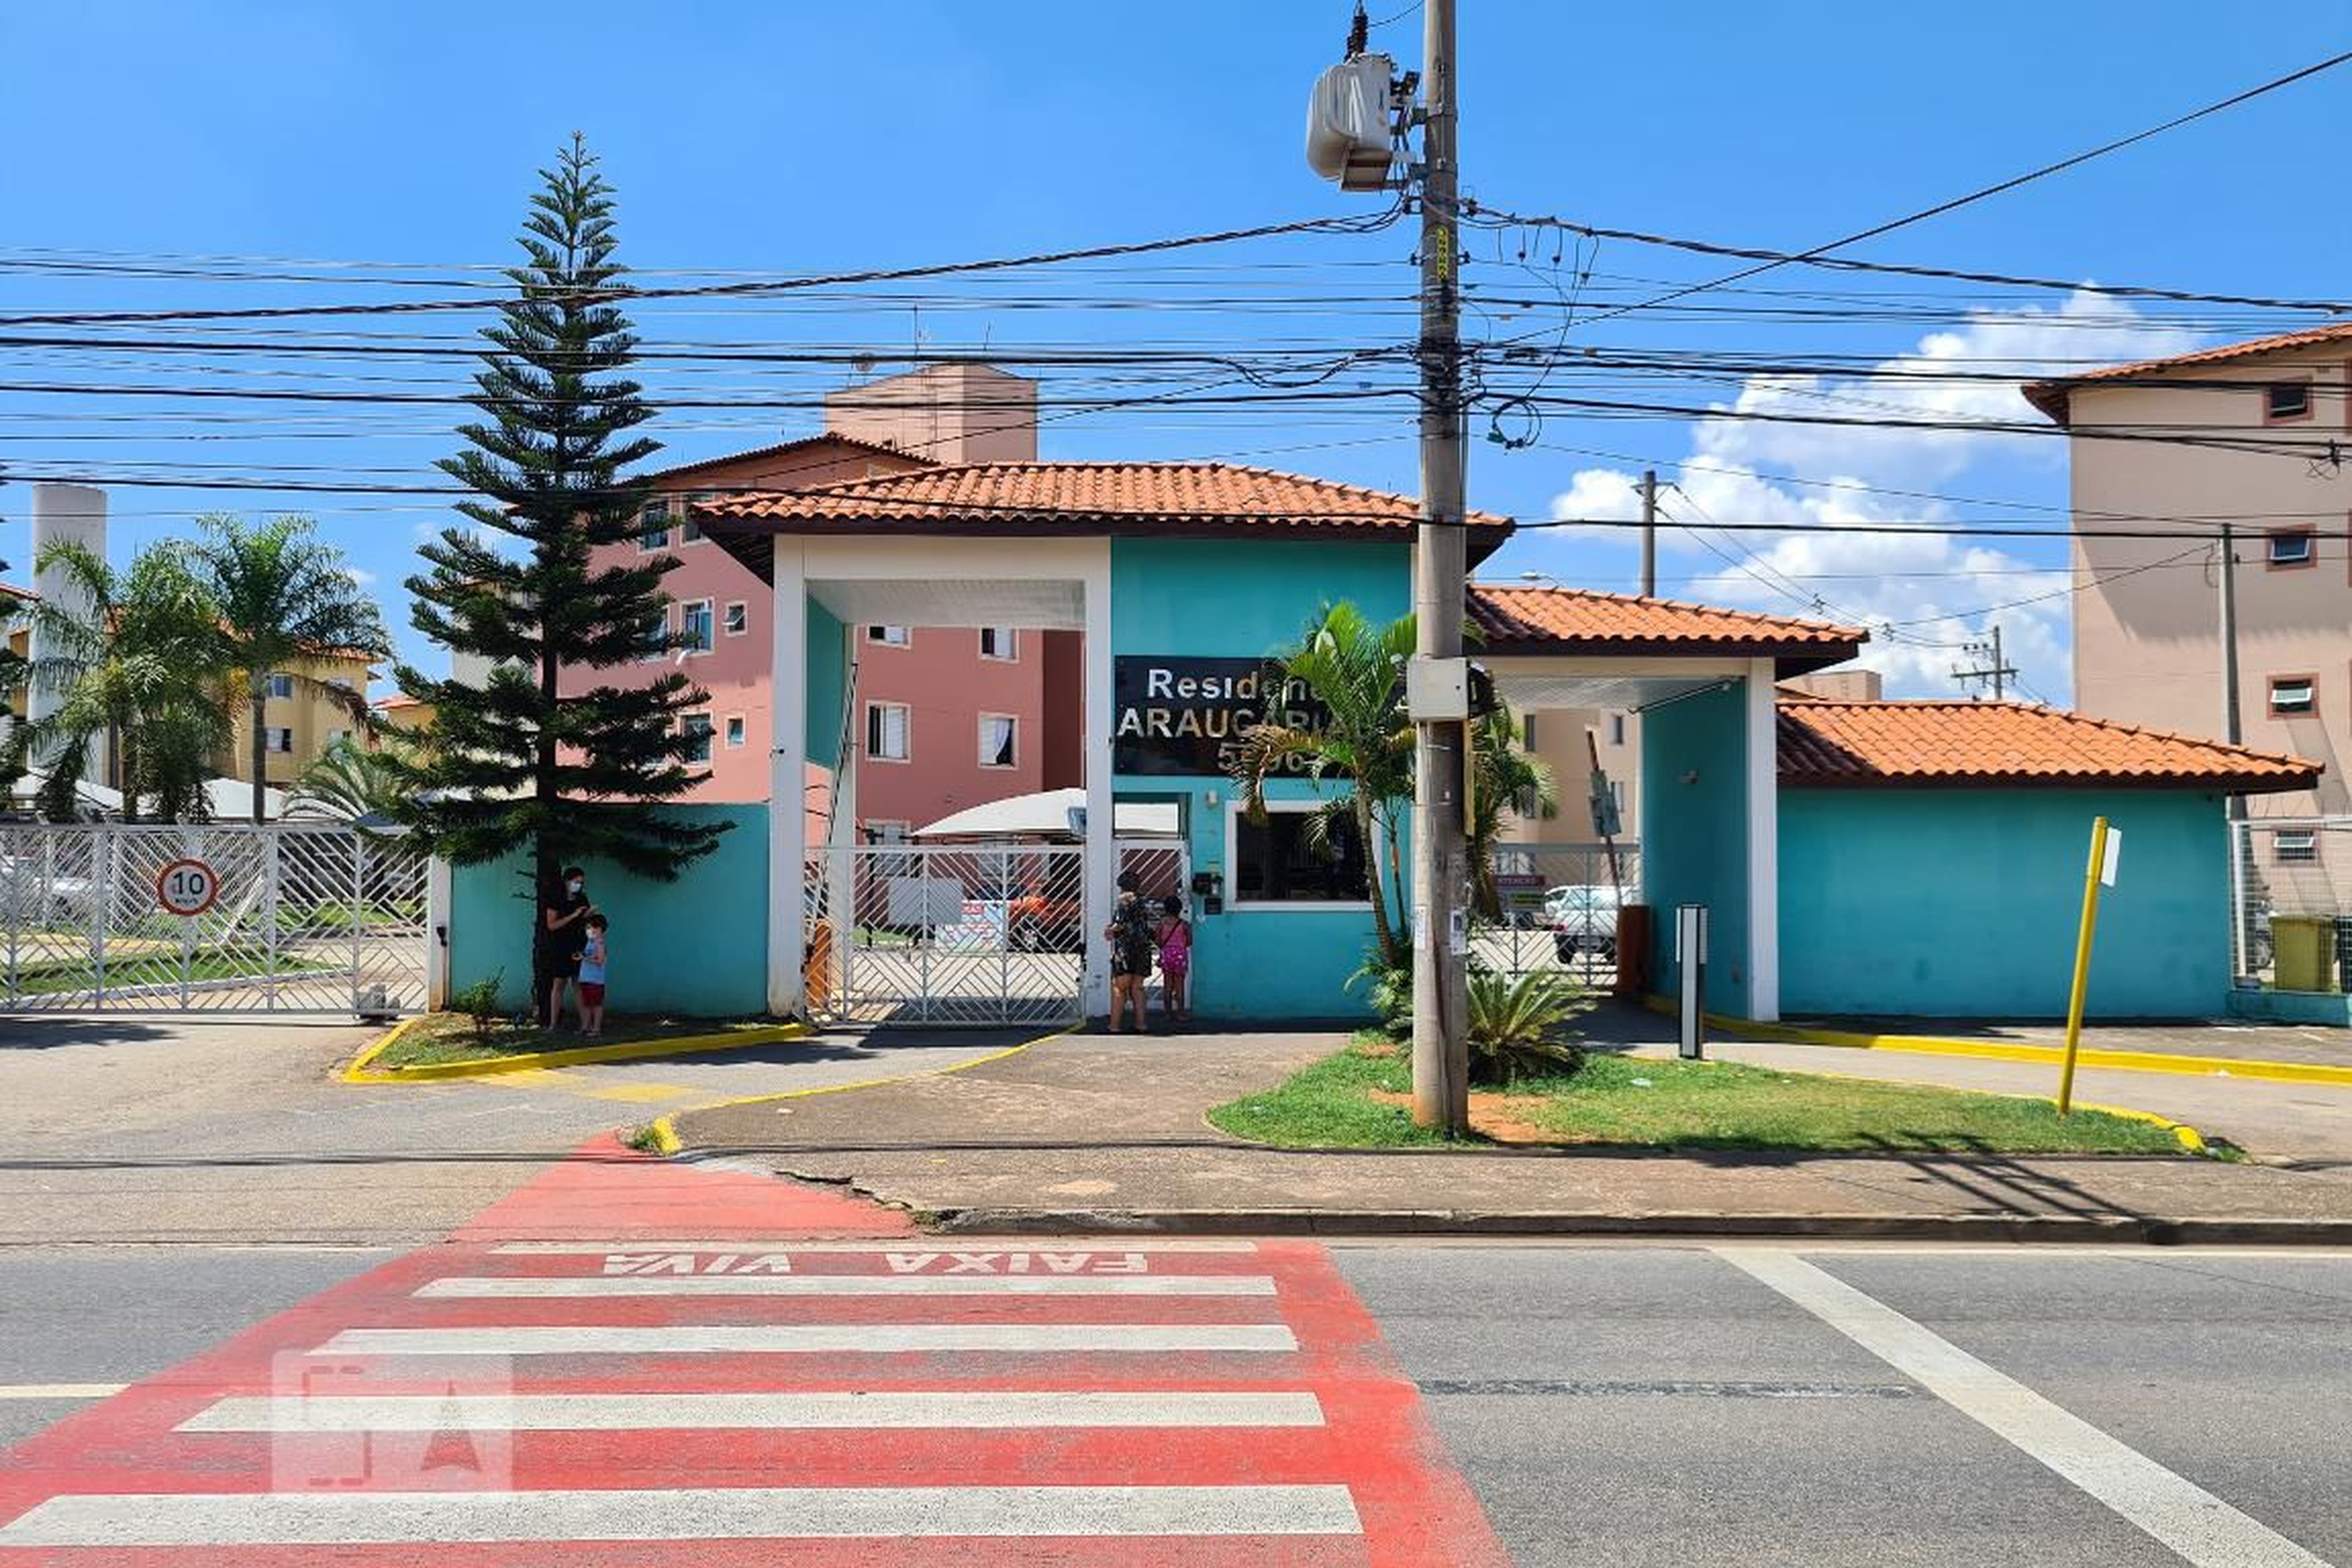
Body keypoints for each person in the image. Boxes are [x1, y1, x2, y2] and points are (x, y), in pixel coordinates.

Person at [536, 865, 590, 1031]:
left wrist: (587, 914)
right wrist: (573, 915)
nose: (578, 885)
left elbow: (584, 920)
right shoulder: (555, 899)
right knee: (559, 984)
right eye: (576, 882)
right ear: (567, 881)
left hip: (578, 944)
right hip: (560, 946)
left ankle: (585, 1024)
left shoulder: (582, 898)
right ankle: (553, 1024)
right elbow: (552, 925)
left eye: (581, 883)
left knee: (578, 985)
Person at [1103, 870, 1153, 1034]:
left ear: (1121, 885)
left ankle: (1114, 1026)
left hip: (1126, 949)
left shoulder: (1124, 900)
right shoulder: (1142, 901)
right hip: (1143, 948)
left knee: (1119, 987)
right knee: (1138, 988)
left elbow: (1121, 923)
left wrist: (1110, 931)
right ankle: (1142, 1024)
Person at [1155, 894, 1192, 1028]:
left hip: (1166, 955)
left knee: (1168, 985)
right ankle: (1181, 1013)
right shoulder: (1185, 925)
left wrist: (1166, 948)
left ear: (1165, 908)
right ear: (1180, 909)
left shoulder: (1161, 924)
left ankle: (1167, 1014)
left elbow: (1158, 941)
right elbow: (1189, 941)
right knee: (1179, 985)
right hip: (1180, 955)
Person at [576, 914, 610, 1038]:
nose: (591, 930)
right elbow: (588, 956)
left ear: (601, 929)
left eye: (594, 927)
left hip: (596, 981)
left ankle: (596, 1029)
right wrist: (581, 956)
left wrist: (584, 958)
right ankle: (586, 1027)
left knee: (596, 1005)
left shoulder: (600, 943)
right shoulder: (590, 942)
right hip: (585, 978)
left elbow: (600, 961)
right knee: (586, 1004)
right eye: (588, 928)